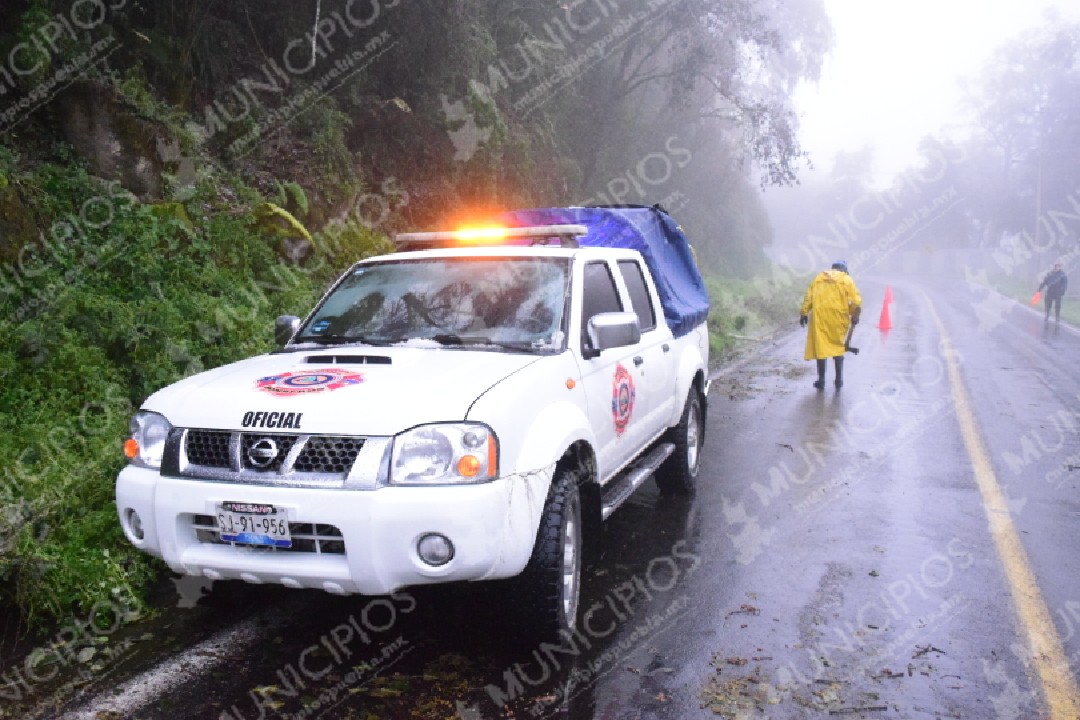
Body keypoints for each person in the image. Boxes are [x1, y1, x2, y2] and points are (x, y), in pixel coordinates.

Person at [800, 260, 863, 390]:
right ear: (844, 269)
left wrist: (804, 313)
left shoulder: (818, 278)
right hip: (839, 319)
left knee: (821, 348)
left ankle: (821, 380)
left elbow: (809, 297)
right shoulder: (846, 280)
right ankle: (839, 380)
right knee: (838, 346)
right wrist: (854, 314)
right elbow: (856, 301)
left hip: (820, 319)